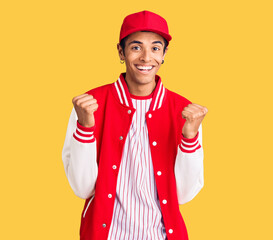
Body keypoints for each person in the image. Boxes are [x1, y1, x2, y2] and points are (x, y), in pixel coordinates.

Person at [62, 10, 207, 240]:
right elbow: (82, 188)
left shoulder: (185, 111)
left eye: (155, 48)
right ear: (121, 51)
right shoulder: (90, 105)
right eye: (136, 47)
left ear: (164, 54)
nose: (146, 58)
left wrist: (189, 137)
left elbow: (183, 195)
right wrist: (85, 129)